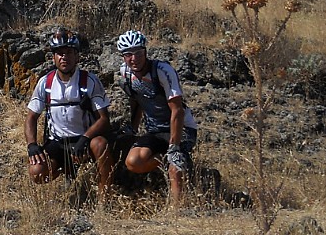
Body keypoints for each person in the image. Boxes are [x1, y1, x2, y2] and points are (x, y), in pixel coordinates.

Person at [24, 28, 114, 202]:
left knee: (101, 144)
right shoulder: (45, 83)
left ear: (77, 57)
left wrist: (86, 138)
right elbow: (31, 117)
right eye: (60, 53)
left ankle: (105, 200)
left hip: (85, 141)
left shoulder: (89, 81)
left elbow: (104, 119)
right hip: (57, 143)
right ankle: (68, 172)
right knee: (37, 173)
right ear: (54, 58)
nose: (64, 57)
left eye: (69, 53)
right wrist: (32, 145)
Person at [115, 29, 198, 204]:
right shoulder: (126, 73)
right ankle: (165, 161)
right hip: (155, 129)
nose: (134, 59)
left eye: (138, 53)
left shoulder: (162, 70)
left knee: (175, 168)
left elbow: (177, 110)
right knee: (133, 162)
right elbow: (137, 100)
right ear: (122, 57)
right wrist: (133, 127)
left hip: (182, 127)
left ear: (145, 51)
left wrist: (174, 147)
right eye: (128, 54)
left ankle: (177, 212)